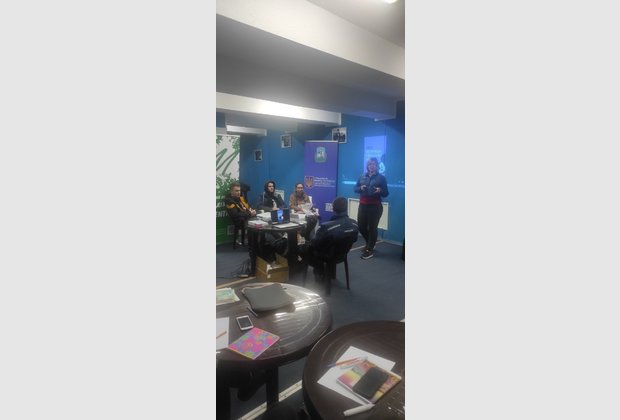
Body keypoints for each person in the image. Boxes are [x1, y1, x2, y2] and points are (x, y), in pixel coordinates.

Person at [298, 197, 359, 279]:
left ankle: (319, 271)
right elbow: (355, 239)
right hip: (342, 255)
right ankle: (327, 273)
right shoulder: (354, 224)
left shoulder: (326, 227)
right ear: (346, 208)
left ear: (333, 209)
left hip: (326, 256)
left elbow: (314, 244)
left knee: (301, 248)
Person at [354, 157, 389, 259]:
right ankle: (370, 243)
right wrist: (360, 188)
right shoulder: (362, 176)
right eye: (370, 164)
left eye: (373, 164)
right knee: (361, 226)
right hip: (363, 205)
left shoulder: (381, 178)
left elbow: (386, 193)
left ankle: (369, 249)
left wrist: (380, 191)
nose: (371, 166)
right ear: (367, 166)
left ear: (377, 166)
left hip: (375, 207)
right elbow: (355, 188)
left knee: (372, 228)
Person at [224, 182, 256, 246]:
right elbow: (235, 215)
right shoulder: (229, 201)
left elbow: (246, 206)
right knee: (254, 224)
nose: (239, 192)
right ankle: (251, 243)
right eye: (236, 191)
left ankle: (253, 241)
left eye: (239, 190)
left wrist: (251, 210)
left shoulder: (240, 197)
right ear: (231, 191)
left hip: (245, 216)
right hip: (239, 220)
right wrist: (249, 213)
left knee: (259, 216)